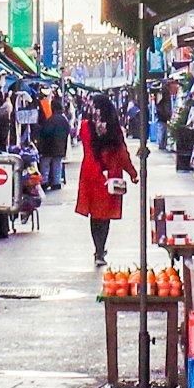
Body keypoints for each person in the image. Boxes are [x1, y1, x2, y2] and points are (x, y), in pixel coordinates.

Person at [74, 97, 136, 266]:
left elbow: (84, 139)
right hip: (110, 174)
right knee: (105, 215)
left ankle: (98, 249)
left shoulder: (86, 127)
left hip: (90, 174)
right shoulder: (115, 130)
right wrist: (132, 173)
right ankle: (100, 250)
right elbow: (122, 154)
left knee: (95, 214)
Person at [35, 97, 72, 191]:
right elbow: (68, 131)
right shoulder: (64, 120)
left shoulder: (51, 120)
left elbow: (45, 132)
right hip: (60, 147)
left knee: (45, 164)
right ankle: (57, 183)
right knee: (57, 165)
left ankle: (44, 182)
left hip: (49, 147)